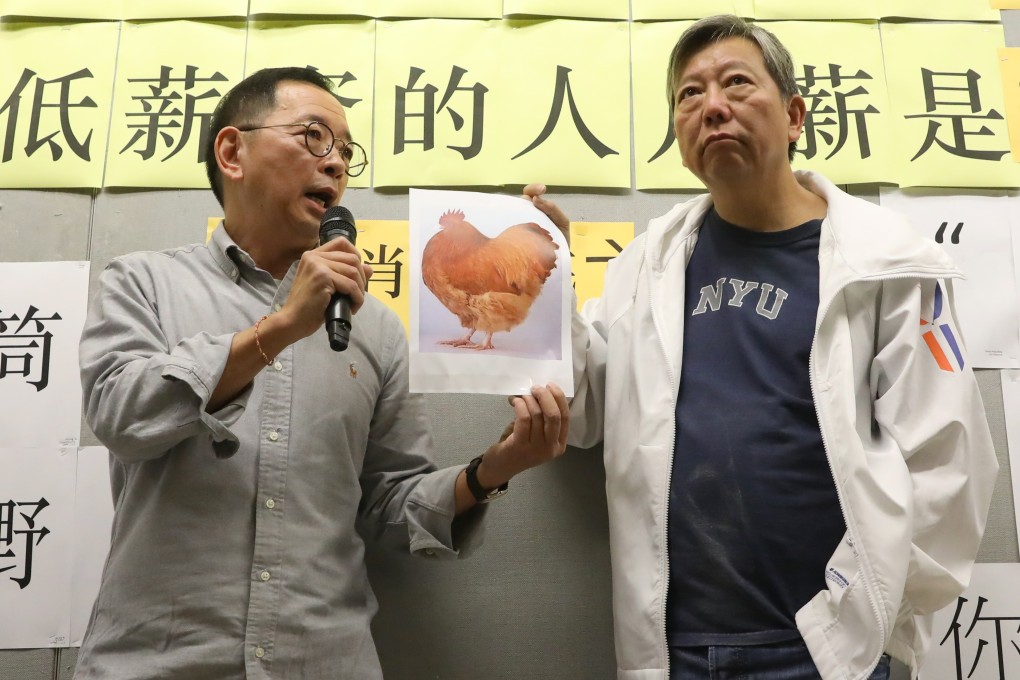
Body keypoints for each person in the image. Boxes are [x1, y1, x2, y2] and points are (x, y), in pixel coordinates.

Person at [536, 14, 998, 680]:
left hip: (825, 649)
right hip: (675, 650)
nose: (712, 106)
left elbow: (947, 464)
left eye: (735, 83)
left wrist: (849, 615)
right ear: (678, 133)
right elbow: (585, 415)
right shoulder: (644, 268)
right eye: (688, 95)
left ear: (794, 113)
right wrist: (545, 289)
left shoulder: (887, 261)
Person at [76, 66, 569, 680]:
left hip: (324, 663)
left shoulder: (378, 329)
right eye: (313, 137)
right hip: (159, 663)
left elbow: (389, 502)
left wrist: (497, 467)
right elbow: (121, 417)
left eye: (344, 151)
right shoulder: (141, 282)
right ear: (232, 151)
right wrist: (281, 326)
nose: (334, 164)